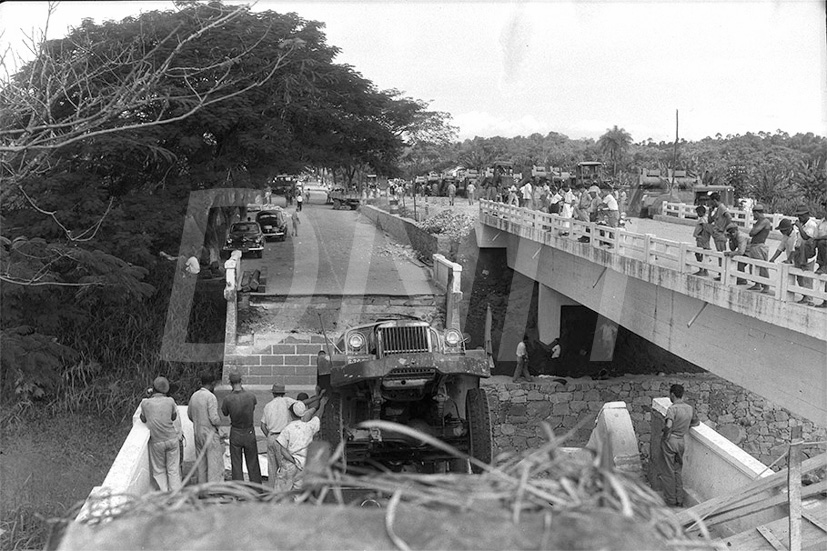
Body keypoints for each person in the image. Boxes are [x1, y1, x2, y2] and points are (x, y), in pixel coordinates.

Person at [275, 396, 329, 491]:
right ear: (303, 414)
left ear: (291, 414)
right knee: (298, 494)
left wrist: (293, 460)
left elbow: (282, 450)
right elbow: (318, 416)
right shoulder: (309, 427)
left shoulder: (287, 429)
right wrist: (322, 404)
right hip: (303, 465)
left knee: (281, 493)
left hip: (290, 464)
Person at [660, 384, 700, 507]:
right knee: (678, 470)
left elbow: (668, 425)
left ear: (672, 394)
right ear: (682, 395)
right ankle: (679, 499)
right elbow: (696, 422)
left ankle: (671, 500)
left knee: (668, 470)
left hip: (670, 441)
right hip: (681, 442)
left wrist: (665, 436)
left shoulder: (672, 409)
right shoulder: (689, 408)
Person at [140, 376, 182, 492]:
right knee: (173, 469)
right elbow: (173, 417)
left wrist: (149, 397)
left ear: (153, 388)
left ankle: (165, 495)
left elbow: (143, 419)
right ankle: (176, 496)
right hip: (172, 439)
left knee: (159, 470)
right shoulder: (170, 401)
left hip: (157, 441)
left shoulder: (145, 403)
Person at [221, 372, 262, 484]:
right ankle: (257, 488)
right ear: (241, 381)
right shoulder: (251, 396)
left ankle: (239, 489)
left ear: (230, 383)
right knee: (253, 461)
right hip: (249, 431)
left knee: (236, 463)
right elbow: (253, 407)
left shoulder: (228, 399)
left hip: (236, 431)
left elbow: (225, 413)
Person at [187, 371, 225, 484]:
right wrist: (220, 426)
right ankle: (214, 491)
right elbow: (214, 418)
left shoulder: (194, 395)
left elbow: (189, 414)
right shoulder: (210, 397)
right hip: (209, 434)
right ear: (212, 383)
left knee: (201, 464)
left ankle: (202, 491)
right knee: (215, 464)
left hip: (197, 433)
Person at [260, 383, 298, 489]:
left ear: (273, 394)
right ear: (283, 393)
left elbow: (262, 425)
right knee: (284, 467)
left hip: (271, 437)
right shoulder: (287, 401)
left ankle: (272, 493)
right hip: (282, 438)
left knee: (272, 468)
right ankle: (283, 492)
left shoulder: (268, 405)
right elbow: (300, 405)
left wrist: (269, 435)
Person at [792, 204, 819, 305]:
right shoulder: (803, 224)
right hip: (799, 252)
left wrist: (799, 227)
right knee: (800, 276)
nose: (799, 217)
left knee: (807, 277)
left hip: (807, 255)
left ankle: (809, 298)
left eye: (801, 215)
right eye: (798, 215)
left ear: (807, 214)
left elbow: (806, 238)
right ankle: (805, 296)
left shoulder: (811, 225)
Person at [746, 204, 772, 293]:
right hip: (755, 246)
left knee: (762, 267)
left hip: (759, 246)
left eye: (754, 214)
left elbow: (753, 232)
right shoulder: (760, 221)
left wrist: (752, 231)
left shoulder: (765, 221)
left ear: (757, 213)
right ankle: (757, 284)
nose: (754, 216)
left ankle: (766, 286)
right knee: (753, 266)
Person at [692, 205, 712, 276]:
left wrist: (699, 236)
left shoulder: (702, 220)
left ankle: (701, 270)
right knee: (705, 254)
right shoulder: (706, 219)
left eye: (698, 212)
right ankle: (705, 270)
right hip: (705, 239)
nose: (697, 214)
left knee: (699, 254)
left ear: (701, 212)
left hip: (701, 238)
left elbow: (704, 227)